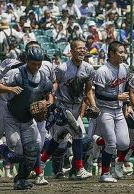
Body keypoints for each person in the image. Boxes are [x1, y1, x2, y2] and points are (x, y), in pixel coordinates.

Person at [0, 47, 53, 190]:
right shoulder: (16, 73)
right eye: (33, 63)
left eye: (39, 64)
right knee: (16, 153)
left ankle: (21, 179)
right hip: (12, 116)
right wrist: (9, 89)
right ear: (27, 61)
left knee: (33, 151)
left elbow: (49, 94)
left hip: (27, 119)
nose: (36, 66)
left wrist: (47, 102)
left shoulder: (43, 77)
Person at [41, 38, 95, 180]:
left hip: (77, 106)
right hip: (63, 106)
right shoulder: (62, 68)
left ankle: (41, 162)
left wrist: (93, 105)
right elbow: (54, 84)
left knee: (58, 138)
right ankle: (79, 168)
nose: (82, 50)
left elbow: (88, 90)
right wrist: (51, 103)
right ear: (71, 51)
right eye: (79, 48)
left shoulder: (89, 68)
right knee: (77, 133)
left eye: (84, 48)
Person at [93, 41, 130, 182]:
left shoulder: (125, 68)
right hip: (105, 110)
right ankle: (105, 174)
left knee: (124, 144)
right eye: (120, 52)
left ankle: (98, 141)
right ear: (111, 53)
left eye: (123, 51)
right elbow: (98, 93)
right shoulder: (103, 70)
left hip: (119, 110)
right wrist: (117, 96)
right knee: (112, 144)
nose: (123, 54)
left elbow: (125, 87)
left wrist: (127, 105)